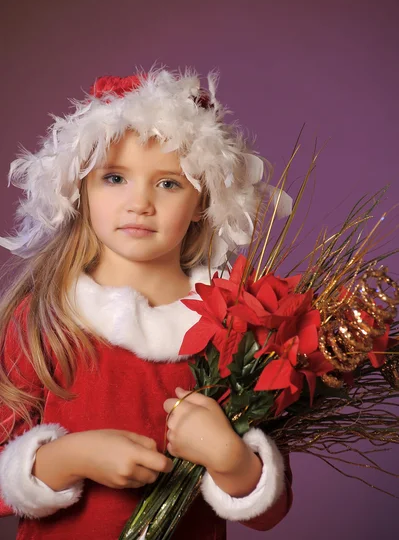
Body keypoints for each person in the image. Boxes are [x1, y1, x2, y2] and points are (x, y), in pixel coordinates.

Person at [0, 67, 293, 540]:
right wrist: (68, 458)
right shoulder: (45, 318)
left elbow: (269, 511)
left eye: (169, 183)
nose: (140, 203)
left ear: (203, 200)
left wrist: (232, 459)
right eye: (114, 177)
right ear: (82, 189)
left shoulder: (234, 325)